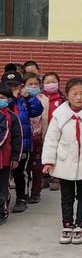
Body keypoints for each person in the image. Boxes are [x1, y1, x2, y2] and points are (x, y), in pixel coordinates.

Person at [42, 78, 82, 245]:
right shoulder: (59, 114)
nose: (79, 97)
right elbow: (51, 139)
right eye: (74, 94)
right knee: (66, 196)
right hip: (65, 161)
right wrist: (49, 161)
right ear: (67, 95)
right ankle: (67, 224)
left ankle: (80, 225)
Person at [1, 66, 43, 213]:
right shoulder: (4, 100)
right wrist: (10, 97)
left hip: (23, 143)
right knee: (5, 173)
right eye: (9, 85)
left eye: (16, 85)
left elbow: (37, 110)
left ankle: (21, 197)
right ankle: (4, 199)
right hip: (5, 143)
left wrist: (28, 97)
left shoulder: (25, 99)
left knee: (21, 172)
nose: (13, 88)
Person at [0, 84, 22, 226]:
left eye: (2, 98)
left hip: (6, 158)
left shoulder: (12, 117)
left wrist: (15, 157)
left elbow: (17, 138)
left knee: (2, 186)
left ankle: (2, 210)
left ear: (8, 100)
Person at [23, 72, 45, 204]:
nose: (33, 86)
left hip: (39, 138)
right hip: (25, 138)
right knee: (25, 168)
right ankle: (24, 193)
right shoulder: (21, 99)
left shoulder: (44, 99)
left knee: (37, 168)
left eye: (36, 84)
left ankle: (36, 192)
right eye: (30, 84)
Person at [40, 72, 65, 191]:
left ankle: (56, 178)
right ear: (43, 84)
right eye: (47, 82)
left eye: (53, 81)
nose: (51, 84)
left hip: (58, 131)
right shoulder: (40, 98)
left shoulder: (63, 99)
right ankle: (44, 177)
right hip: (43, 130)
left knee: (58, 154)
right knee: (43, 154)